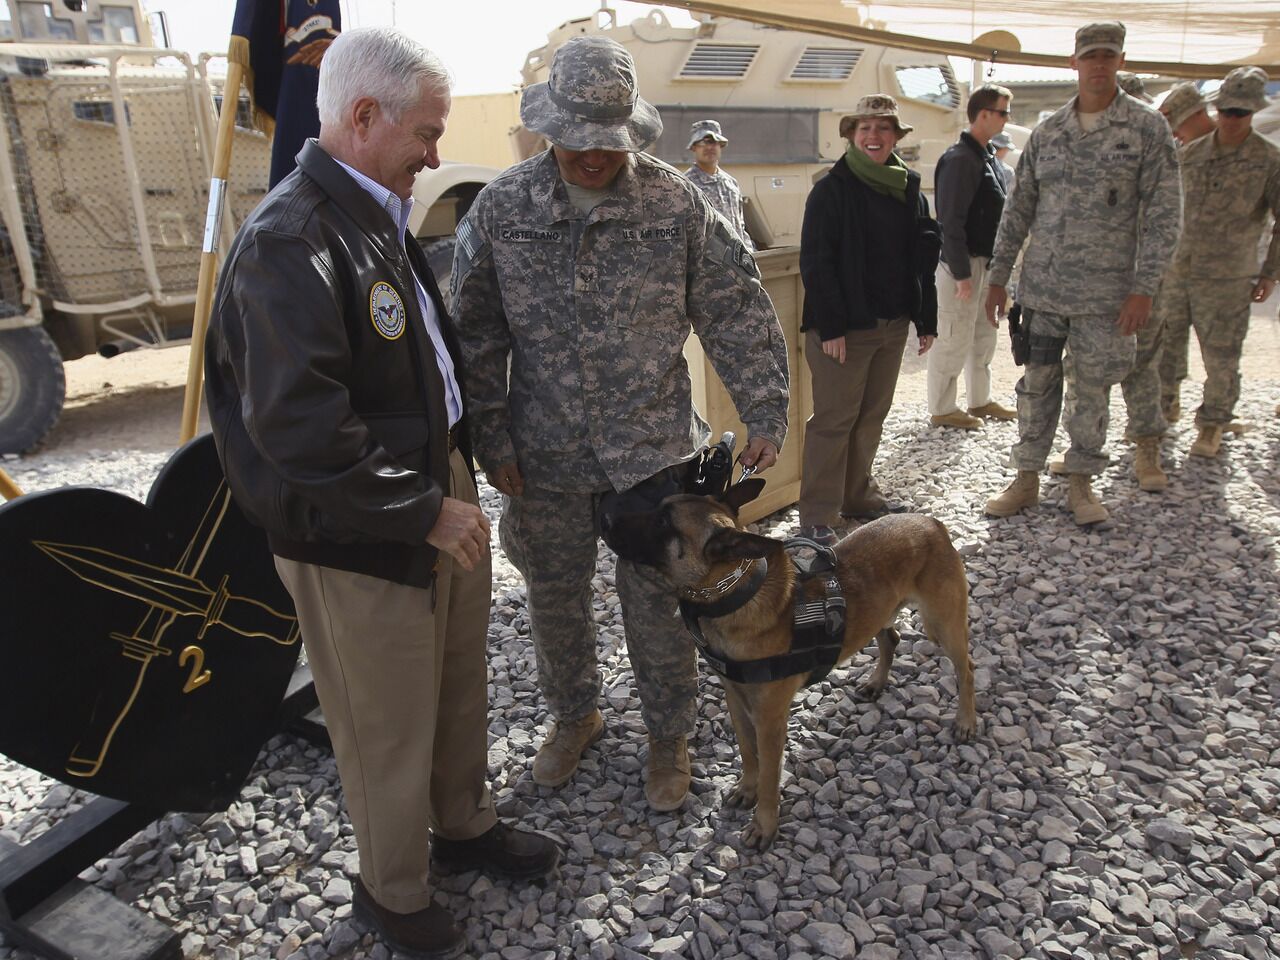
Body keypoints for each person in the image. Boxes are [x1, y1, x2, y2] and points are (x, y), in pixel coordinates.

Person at [204, 27, 557, 960]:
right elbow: (300, 429)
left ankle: (464, 824)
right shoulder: (291, 240)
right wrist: (423, 507)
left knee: (452, 682)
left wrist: (456, 475)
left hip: (430, 489)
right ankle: (391, 893)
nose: (436, 154)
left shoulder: (370, 213)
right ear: (363, 117)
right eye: (426, 134)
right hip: (360, 522)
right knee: (384, 718)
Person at [450, 36, 788, 813]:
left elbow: (735, 310)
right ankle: (577, 717)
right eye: (576, 141)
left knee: (663, 608)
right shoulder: (503, 208)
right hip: (543, 458)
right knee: (554, 598)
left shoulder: (676, 205)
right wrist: (492, 439)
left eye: (607, 142)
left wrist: (765, 408)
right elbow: (475, 336)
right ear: (547, 127)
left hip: (653, 457)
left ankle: (670, 738)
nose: (592, 157)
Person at [983, 21, 1181, 526]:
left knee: (1092, 390)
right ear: (1074, 62)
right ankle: (1026, 479)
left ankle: (1081, 484)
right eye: (1090, 55)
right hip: (1044, 292)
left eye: (1107, 56)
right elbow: (1018, 208)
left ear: (1119, 60)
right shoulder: (1049, 132)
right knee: (1037, 387)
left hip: (1107, 297)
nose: (1098, 64)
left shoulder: (1145, 128)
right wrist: (999, 276)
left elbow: (1164, 216)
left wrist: (1144, 289)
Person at [797, 94, 940, 544]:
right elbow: (817, 262)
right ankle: (819, 515)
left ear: (896, 136)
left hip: (891, 323)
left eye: (883, 128)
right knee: (834, 420)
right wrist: (832, 326)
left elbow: (921, 256)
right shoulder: (831, 189)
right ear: (851, 136)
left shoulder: (907, 186)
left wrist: (926, 318)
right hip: (845, 329)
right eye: (865, 128)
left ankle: (858, 496)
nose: (873, 136)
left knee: (871, 416)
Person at [1156, 67, 1280, 458]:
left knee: (1222, 356)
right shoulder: (1190, 153)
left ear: (1253, 112)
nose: (1231, 119)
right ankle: (1165, 407)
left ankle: (1212, 424)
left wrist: (1270, 273)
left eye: (1240, 113)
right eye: (1225, 110)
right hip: (1180, 270)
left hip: (1228, 276)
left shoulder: (1269, 159)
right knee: (1165, 346)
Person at [927, 84, 1015, 431]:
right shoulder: (960, 159)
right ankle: (942, 406)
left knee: (982, 333)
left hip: (984, 260)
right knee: (952, 335)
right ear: (983, 114)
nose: (1008, 118)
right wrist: (961, 272)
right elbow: (951, 218)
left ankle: (980, 398)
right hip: (961, 263)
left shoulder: (985, 156)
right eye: (1003, 112)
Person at [684, 118, 754, 249]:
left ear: (721, 146)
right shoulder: (686, 186)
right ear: (694, 147)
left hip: (736, 261)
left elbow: (740, 226)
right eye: (703, 142)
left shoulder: (731, 183)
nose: (710, 147)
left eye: (715, 142)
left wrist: (749, 252)